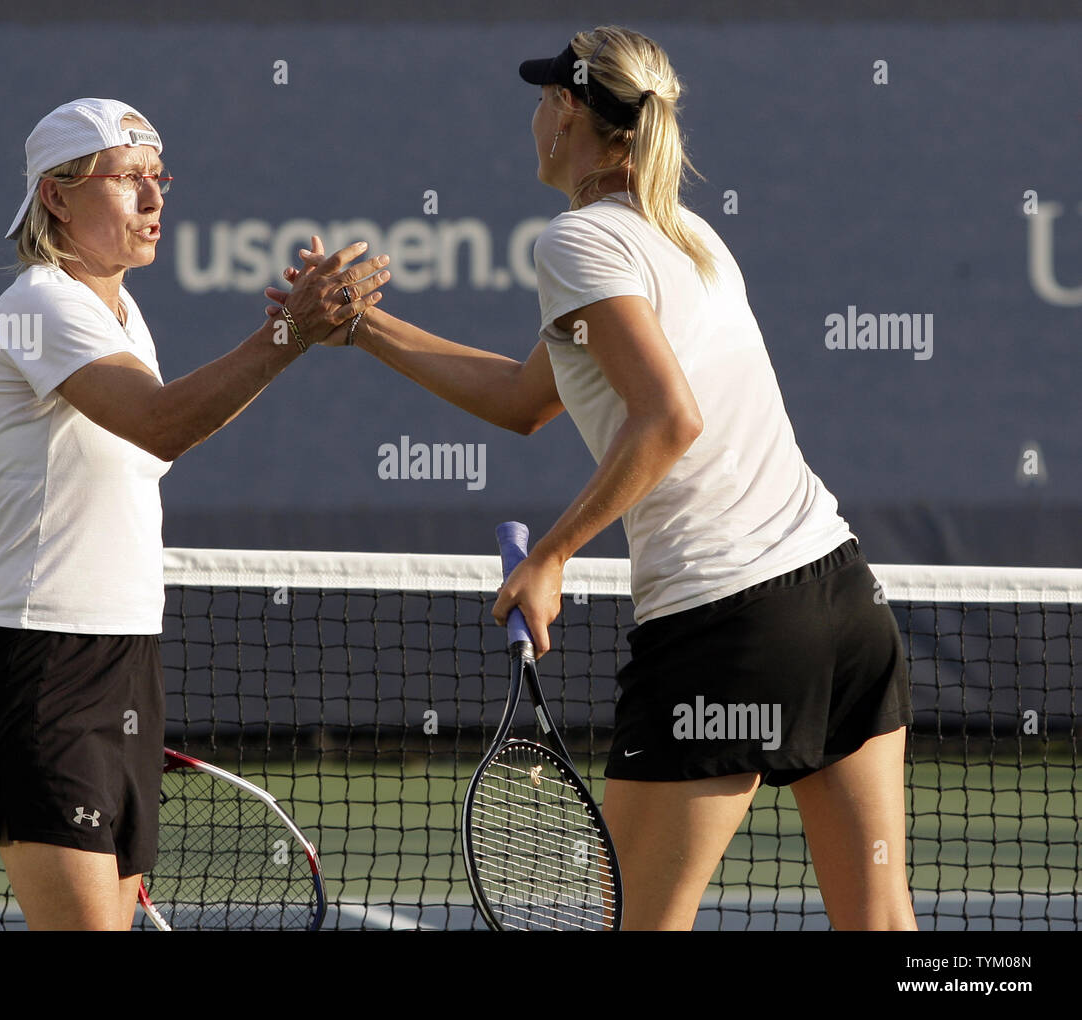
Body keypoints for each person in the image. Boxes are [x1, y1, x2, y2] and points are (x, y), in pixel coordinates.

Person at [270, 27, 917, 930]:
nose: (534, 116)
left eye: (544, 100)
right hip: (845, 607)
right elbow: (525, 397)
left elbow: (669, 419)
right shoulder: (686, 234)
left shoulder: (577, 242)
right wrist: (365, 328)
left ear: (568, 115)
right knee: (881, 923)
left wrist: (553, 554)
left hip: (727, 631)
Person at [0, 98, 389, 930]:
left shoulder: (122, 313)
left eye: (159, 179)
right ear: (58, 196)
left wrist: (284, 340)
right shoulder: (41, 302)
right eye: (130, 180)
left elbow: (160, 438)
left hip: (125, 656)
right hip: (36, 660)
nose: (155, 200)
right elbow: (161, 420)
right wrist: (286, 335)